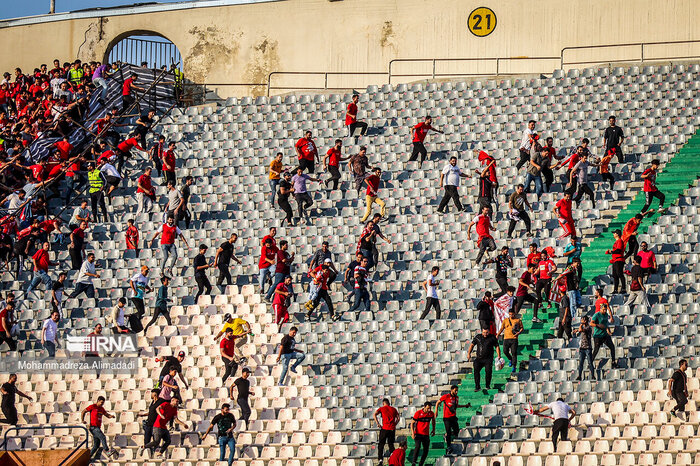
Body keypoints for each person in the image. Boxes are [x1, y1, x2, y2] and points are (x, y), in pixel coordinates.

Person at [436, 385, 470, 454]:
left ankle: (446, 435)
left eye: (457, 391)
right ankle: (449, 447)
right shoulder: (446, 396)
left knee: (456, 431)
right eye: (455, 390)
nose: (456, 392)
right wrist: (436, 411)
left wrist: (465, 405)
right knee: (448, 432)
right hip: (446, 417)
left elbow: (456, 406)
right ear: (451, 390)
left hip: (453, 417)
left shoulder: (456, 398)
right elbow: (438, 402)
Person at [82, 396, 117, 461]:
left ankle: (88, 457)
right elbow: (83, 411)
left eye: (103, 403)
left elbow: (107, 415)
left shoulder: (101, 409)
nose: (102, 404)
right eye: (101, 402)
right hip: (93, 427)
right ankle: (107, 452)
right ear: (98, 401)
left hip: (97, 427)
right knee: (103, 437)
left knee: (96, 445)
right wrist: (82, 420)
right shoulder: (93, 406)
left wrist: (111, 416)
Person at [467, 327, 501, 391]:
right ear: (482, 332)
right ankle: (477, 386)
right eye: (484, 332)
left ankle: (487, 385)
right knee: (476, 371)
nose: (485, 334)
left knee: (488, 371)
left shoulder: (492, 337)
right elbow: (472, 345)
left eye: (487, 332)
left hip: (488, 359)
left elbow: (497, 346)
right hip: (479, 358)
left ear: (489, 332)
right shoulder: (478, 337)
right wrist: (469, 353)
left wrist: (499, 355)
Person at [497, 308, 523, 375]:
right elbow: (502, 328)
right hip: (506, 338)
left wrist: (519, 332)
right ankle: (510, 359)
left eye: (512, 314)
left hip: (514, 338)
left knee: (514, 352)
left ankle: (514, 366)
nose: (511, 315)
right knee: (505, 351)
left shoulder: (518, 320)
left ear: (514, 314)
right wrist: (497, 335)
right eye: (510, 314)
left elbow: (522, 328)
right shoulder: (505, 320)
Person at [591, 302, 617, 368]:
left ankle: (613, 362)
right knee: (596, 350)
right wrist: (597, 325)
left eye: (605, 309)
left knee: (612, 347)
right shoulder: (596, 315)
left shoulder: (606, 315)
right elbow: (591, 323)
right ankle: (590, 363)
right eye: (603, 309)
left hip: (604, 334)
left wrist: (608, 330)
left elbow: (605, 324)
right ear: (600, 309)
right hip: (597, 335)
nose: (605, 311)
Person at [137, 389, 163, 454]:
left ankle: (155, 454)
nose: (150, 395)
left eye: (152, 393)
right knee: (146, 441)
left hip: (155, 425)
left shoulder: (160, 402)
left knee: (155, 441)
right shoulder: (152, 402)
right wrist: (142, 415)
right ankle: (149, 454)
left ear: (155, 394)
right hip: (149, 424)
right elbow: (151, 412)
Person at [533, 250, 557, 319]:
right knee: (537, 288)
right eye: (542, 256)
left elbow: (555, 268)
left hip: (548, 278)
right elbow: (538, 270)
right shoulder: (540, 262)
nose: (543, 257)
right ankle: (540, 301)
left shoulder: (550, 261)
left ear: (546, 255)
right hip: (541, 278)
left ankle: (549, 302)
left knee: (546, 291)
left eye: (544, 256)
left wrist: (550, 272)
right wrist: (534, 273)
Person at [374, 398, 399, 463]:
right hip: (392, 429)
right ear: (389, 403)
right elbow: (398, 418)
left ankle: (380, 460)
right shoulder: (394, 409)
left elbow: (375, 414)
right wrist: (395, 424)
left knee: (381, 445)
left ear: (383, 403)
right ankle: (393, 459)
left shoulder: (382, 408)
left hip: (385, 428)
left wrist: (378, 423)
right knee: (391, 444)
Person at [410, 402, 435, 466]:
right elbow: (412, 423)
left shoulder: (431, 413)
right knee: (417, 447)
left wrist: (433, 429)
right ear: (424, 407)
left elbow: (433, 420)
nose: (429, 410)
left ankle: (421, 463)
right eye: (427, 408)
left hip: (426, 434)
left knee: (426, 450)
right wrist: (412, 433)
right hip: (418, 434)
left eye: (430, 408)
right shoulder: (418, 413)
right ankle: (414, 462)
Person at [574, 315, 595, 381]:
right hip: (582, 348)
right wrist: (576, 330)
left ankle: (593, 375)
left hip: (588, 348)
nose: (581, 321)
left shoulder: (588, 327)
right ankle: (579, 376)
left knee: (590, 362)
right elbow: (580, 330)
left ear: (585, 321)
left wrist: (580, 326)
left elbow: (581, 330)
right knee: (581, 363)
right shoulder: (583, 327)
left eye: (582, 320)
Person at [606, 229, 626, 294]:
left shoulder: (619, 241)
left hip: (619, 260)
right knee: (615, 275)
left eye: (614, 233)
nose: (613, 234)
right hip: (615, 260)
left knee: (619, 274)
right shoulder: (617, 242)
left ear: (617, 234)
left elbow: (618, 250)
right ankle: (615, 289)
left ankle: (623, 288)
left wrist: (611, 252)